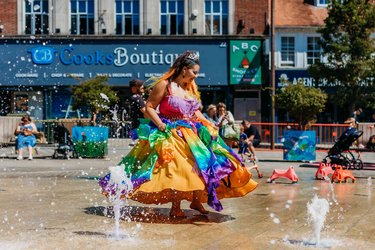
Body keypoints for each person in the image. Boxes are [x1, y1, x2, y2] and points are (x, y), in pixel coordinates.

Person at [99, 51, 258, 218]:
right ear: (184, 69)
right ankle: (175, 207)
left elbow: (196, 112)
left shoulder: (189, 89)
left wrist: (209, 123)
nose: (196, 76)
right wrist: (160, 124)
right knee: (178, 169)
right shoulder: (165, 85)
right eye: (194, 72)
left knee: (202, 165)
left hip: (191, 133)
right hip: (169, 133)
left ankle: (196, 201)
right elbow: (150, 106)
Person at [128, 79, 146, 145]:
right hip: (141, 127)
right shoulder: (137, 98)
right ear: (134, 88)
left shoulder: (134, 98)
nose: (142, 87)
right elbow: (145, 111)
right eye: (140, 85)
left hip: (137, 127)